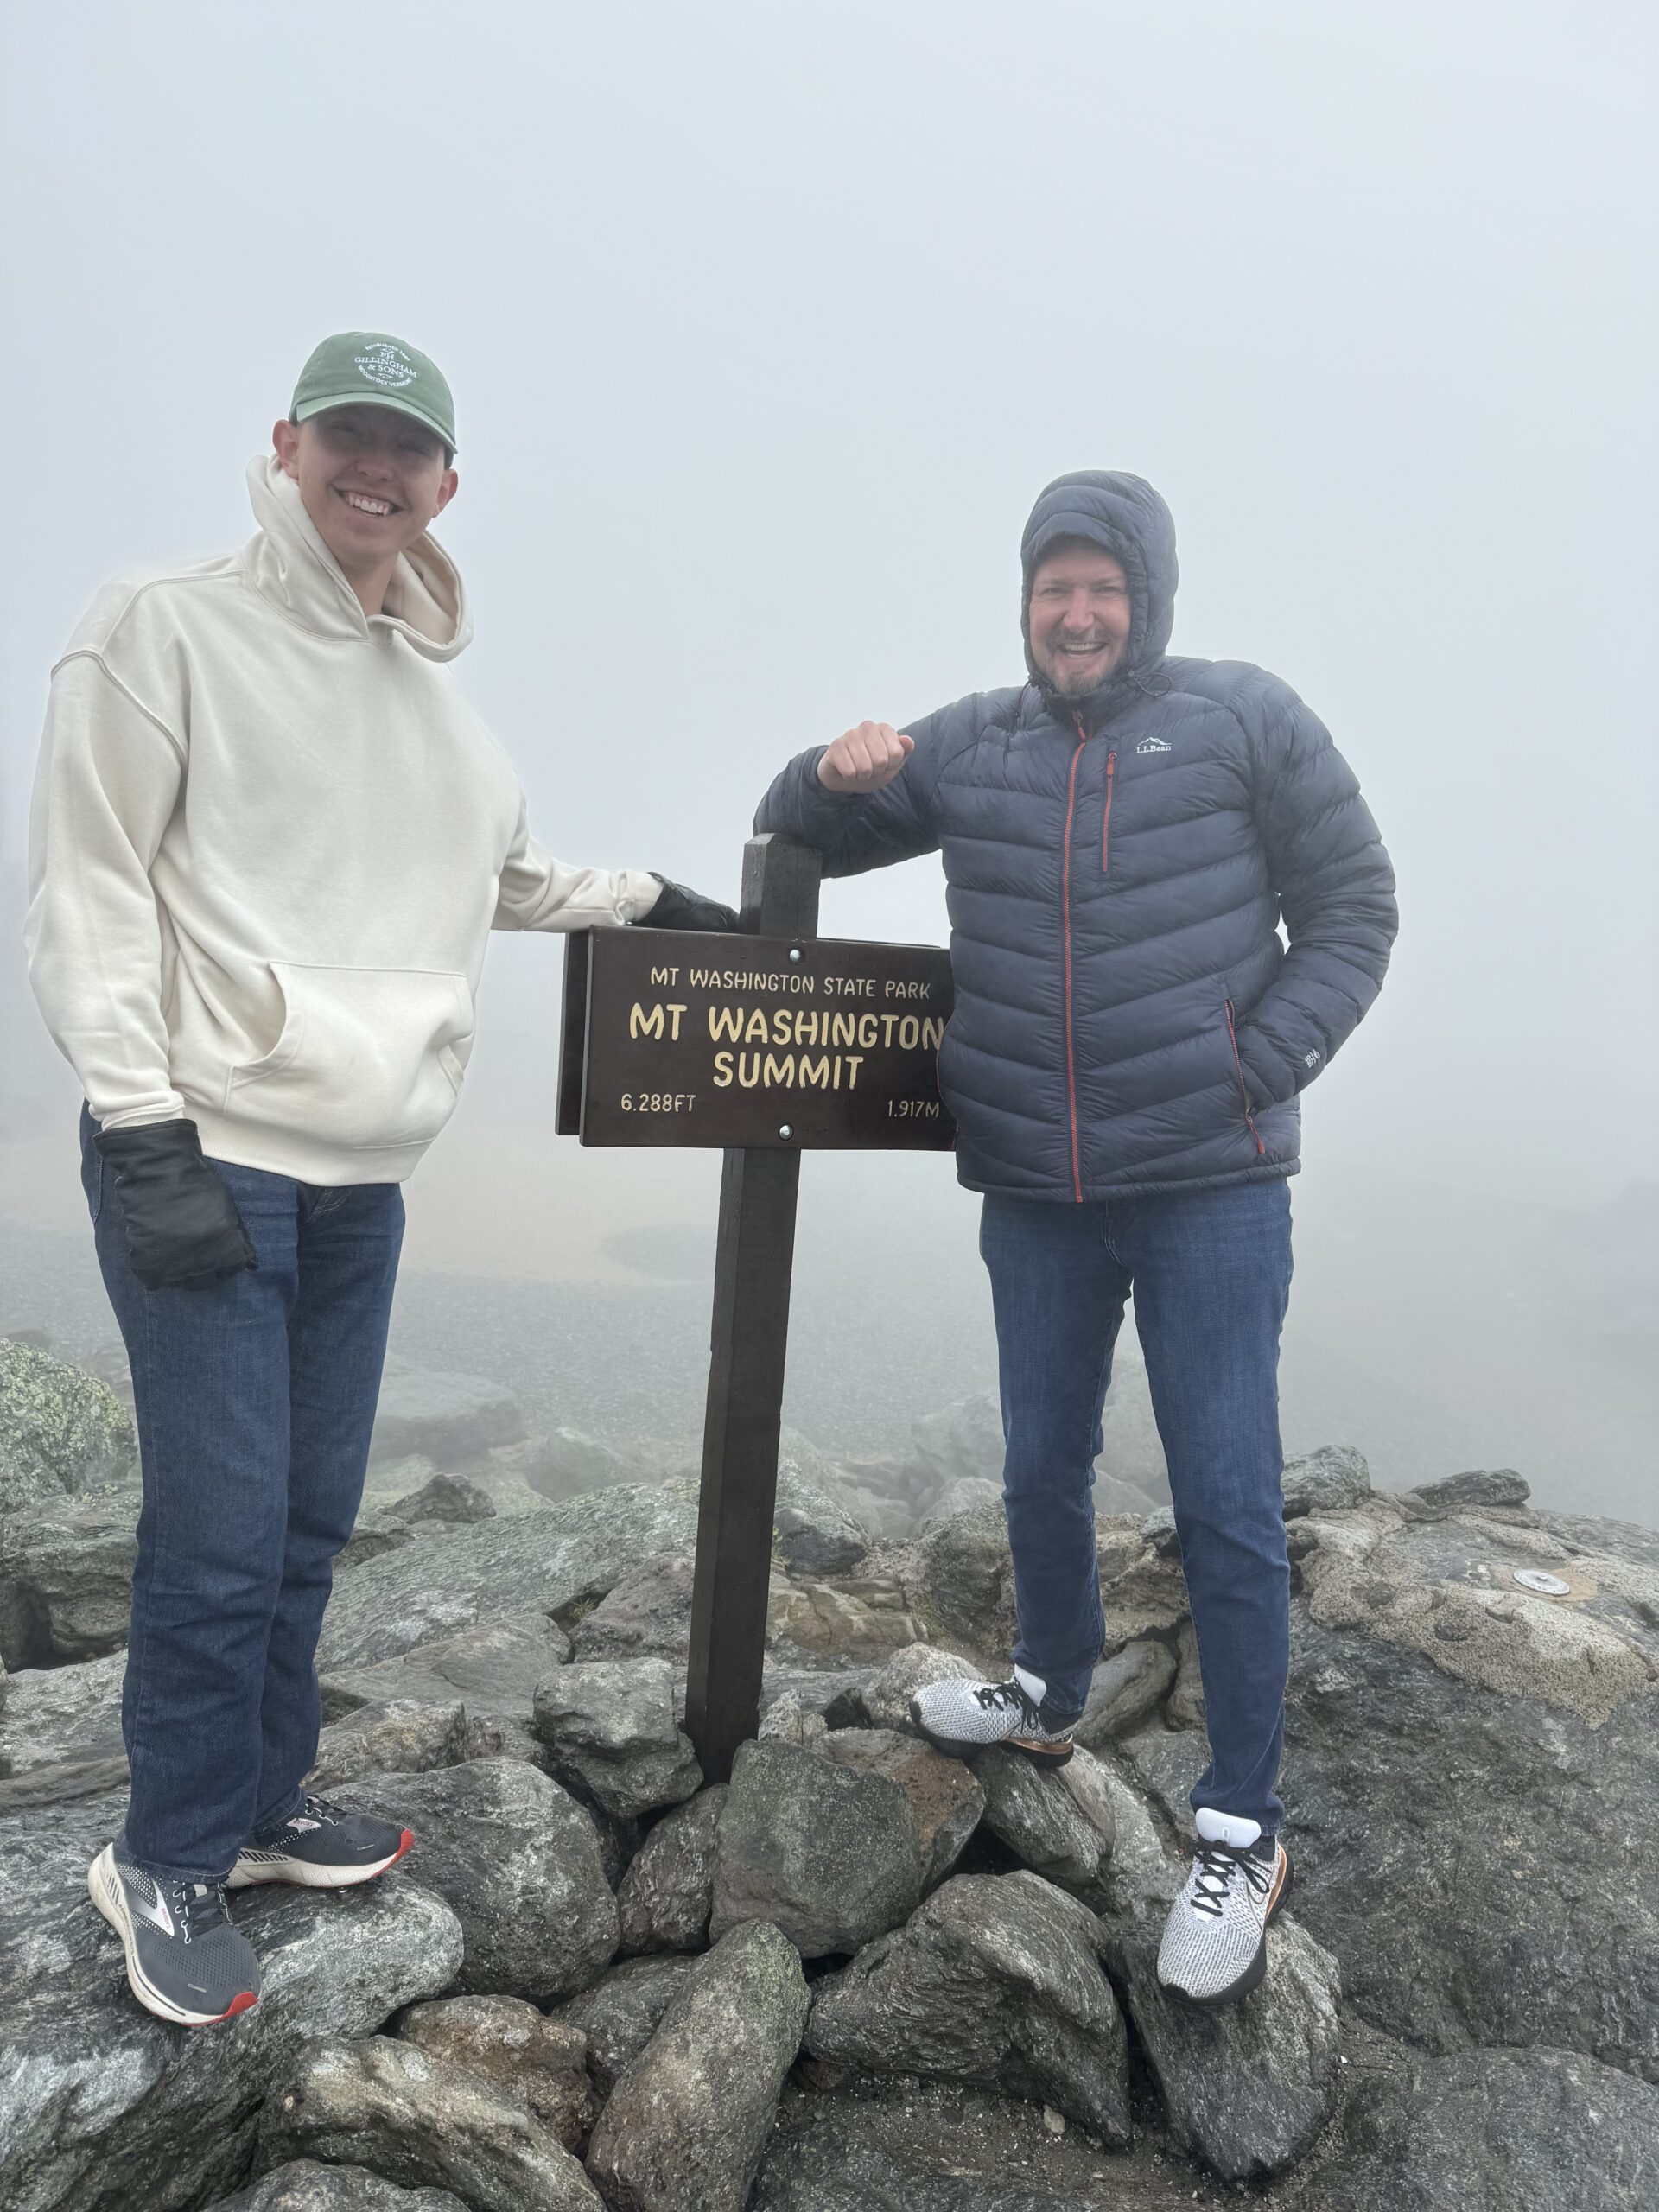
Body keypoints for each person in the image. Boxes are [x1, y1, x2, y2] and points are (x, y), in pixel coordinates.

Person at [24, 331, 734, 2027]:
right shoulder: (164, 621)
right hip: (203, 1146)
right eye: (348, 435)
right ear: (286, 444)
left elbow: (506, 872)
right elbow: (90, 884)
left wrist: (652, 903)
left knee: (305, 1520)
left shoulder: (444, 712)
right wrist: (134, 1120)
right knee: (217, 1529)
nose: (376, 467)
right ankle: (167, 1851)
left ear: (445, 488)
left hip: (363, 1178)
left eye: (406, 449)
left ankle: (259, 1802)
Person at [754, 470, 1397, 2005]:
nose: (1080, 613)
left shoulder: (1244, 719)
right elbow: (798, 832)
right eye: (1057, 587)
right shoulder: (976, 741)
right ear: (1027, 601)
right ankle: (1048, 1684)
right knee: (1040, 1457)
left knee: (1227, 1498)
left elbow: (1357, 904)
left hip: (1211, 1186)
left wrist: (1256, 1063)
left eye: (1106, 588)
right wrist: (826, 769)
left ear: (1149, 599)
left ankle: (1241, 1822)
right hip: (1038, 1188)